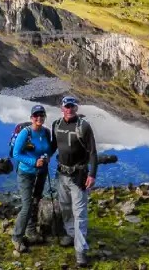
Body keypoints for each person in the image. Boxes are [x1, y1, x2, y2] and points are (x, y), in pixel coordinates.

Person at [50, 95, 98, 267]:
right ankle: (71, 234)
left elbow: (92, 153)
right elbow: (53, 146)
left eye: (72, 106)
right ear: (62, 108)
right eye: (66, 106)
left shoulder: (83, 127)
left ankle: (81, 251)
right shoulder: (56, 125)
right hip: (61, 174)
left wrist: (92, 174)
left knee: (80, 214)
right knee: (65, 207)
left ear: (76, 108)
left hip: (79, 177)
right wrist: (41, 156)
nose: (69, 109)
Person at [11, 104, 52, 252]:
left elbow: (48, 149)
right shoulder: (25, 133)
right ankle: (16, 237)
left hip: (41, 172)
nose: (39, 118)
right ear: (31, 118)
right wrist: (34, 162)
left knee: (36, 201)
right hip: (26, 173)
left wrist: (47, 157)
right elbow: (16, 154)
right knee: (27, 205)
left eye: (42, 115)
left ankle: (31, 230)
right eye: (36, 116)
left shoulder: (46, 132)